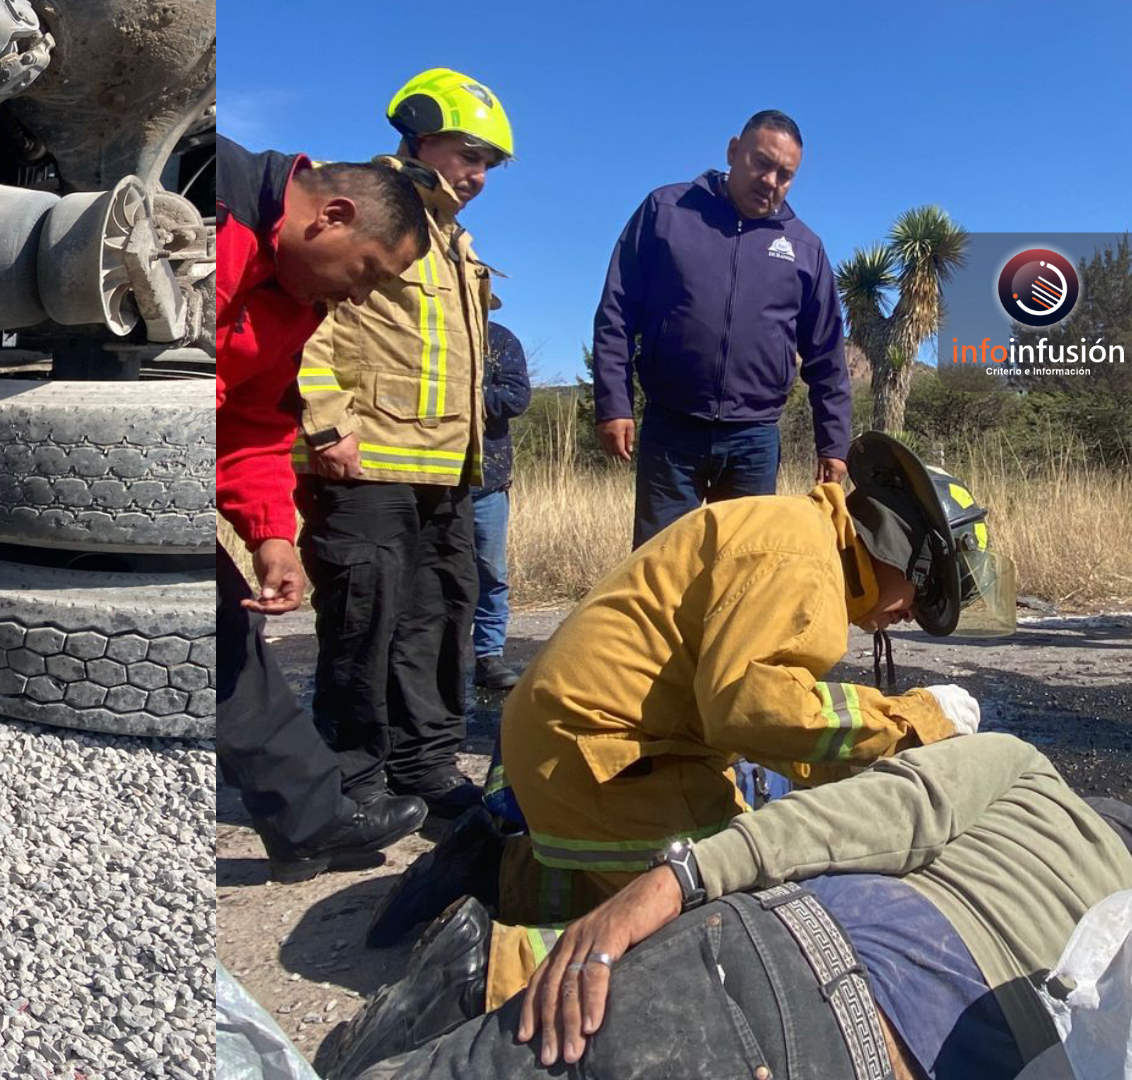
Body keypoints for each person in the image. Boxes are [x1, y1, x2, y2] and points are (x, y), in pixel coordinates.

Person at [365, 431, 1017, 953]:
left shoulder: (799, 536)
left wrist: (862, 758)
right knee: (734, 916)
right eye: (928, 595)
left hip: (574, 752)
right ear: (910, 555)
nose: (917, 614)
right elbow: (750, 708)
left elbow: (772, 720)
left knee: (712, 857)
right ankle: (480, 978)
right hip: (602, 760)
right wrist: (911, 720)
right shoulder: (802, 560)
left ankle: (502, 876)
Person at [321, 732, 1132, 1079]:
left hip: (776, 950)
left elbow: (880, 811)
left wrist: (676, 879)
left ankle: (478, 973)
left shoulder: (1027, 772)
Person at [293, 67, 515, 821]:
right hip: (365, 463)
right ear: (421, 135)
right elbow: (308, 317)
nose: (478, 175)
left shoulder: (457, 243)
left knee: (440, 619)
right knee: (362, 626)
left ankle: (425, 764)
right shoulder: (365, 207)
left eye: (489, 164)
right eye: (468, 155)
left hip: (447, 472)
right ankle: (353, 783)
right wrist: (325, 424)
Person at [215, 135, 433, 882]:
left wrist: (272, 535)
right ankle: (309, 815)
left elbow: (253, 422)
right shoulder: (212, 214)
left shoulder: (293, 299)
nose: (362, 294)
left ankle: (309, 817)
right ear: (331, 217)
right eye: (370, 270)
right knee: (216, 629)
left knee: (225, 633)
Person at [591, 110, 852, 548]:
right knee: (660, 568)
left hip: (754, 437)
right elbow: (616, 310)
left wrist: (834, 445)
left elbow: (827, 355)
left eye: (785, 175)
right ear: (734, 151)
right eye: (761, 163)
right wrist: (613, 403)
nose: (771, 181)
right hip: (672, 426)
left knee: (741, 574)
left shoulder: (805, 248)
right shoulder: (667, 211)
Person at [472, 321, 531, 691]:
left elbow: (517, 397)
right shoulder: (428, 331)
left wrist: (467, 396)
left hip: (488, 478)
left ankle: (487, 656)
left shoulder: (499, 339)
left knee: (492, 573)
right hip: (434, 480)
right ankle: (431, 662)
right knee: (434, 575)